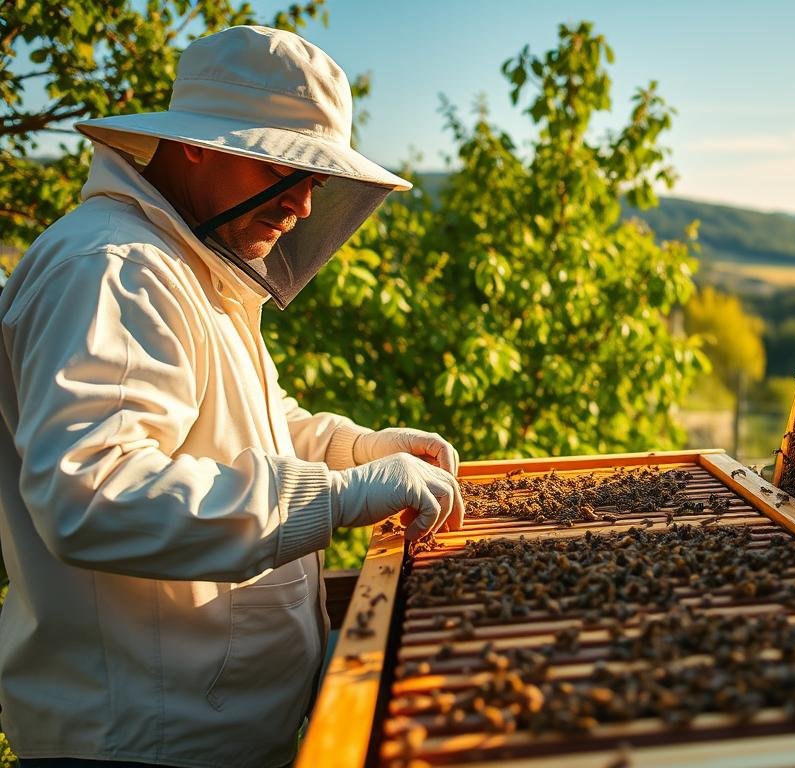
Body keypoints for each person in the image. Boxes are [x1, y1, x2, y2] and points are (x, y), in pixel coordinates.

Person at [0, 26, 465, 767]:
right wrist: (339, 498)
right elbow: (93, 494)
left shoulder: (186, 265)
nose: (304, 207)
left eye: (316, 180)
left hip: (201, 734)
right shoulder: (116, 269)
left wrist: (357, 451)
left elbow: (252, 424)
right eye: (285, 168)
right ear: (196, 145)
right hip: (141, 743)